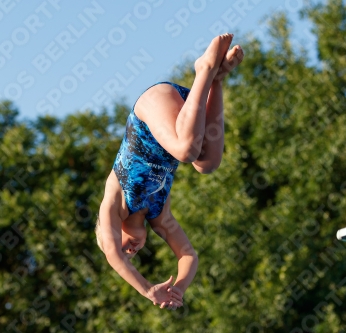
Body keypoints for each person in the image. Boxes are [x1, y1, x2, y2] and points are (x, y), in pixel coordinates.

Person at [95, 33, 244, 310]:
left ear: (112, 232)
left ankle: (204, 69)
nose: (130, 252)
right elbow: (188, 255)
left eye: (124, 247)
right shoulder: (159, 216)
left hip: (151, 108)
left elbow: (113, 256)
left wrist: (148, 290)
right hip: (187, 115)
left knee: (186, 152)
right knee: (207, 163)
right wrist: (177, 289)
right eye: (133, 255)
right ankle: (216, 79)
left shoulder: (114, 204)